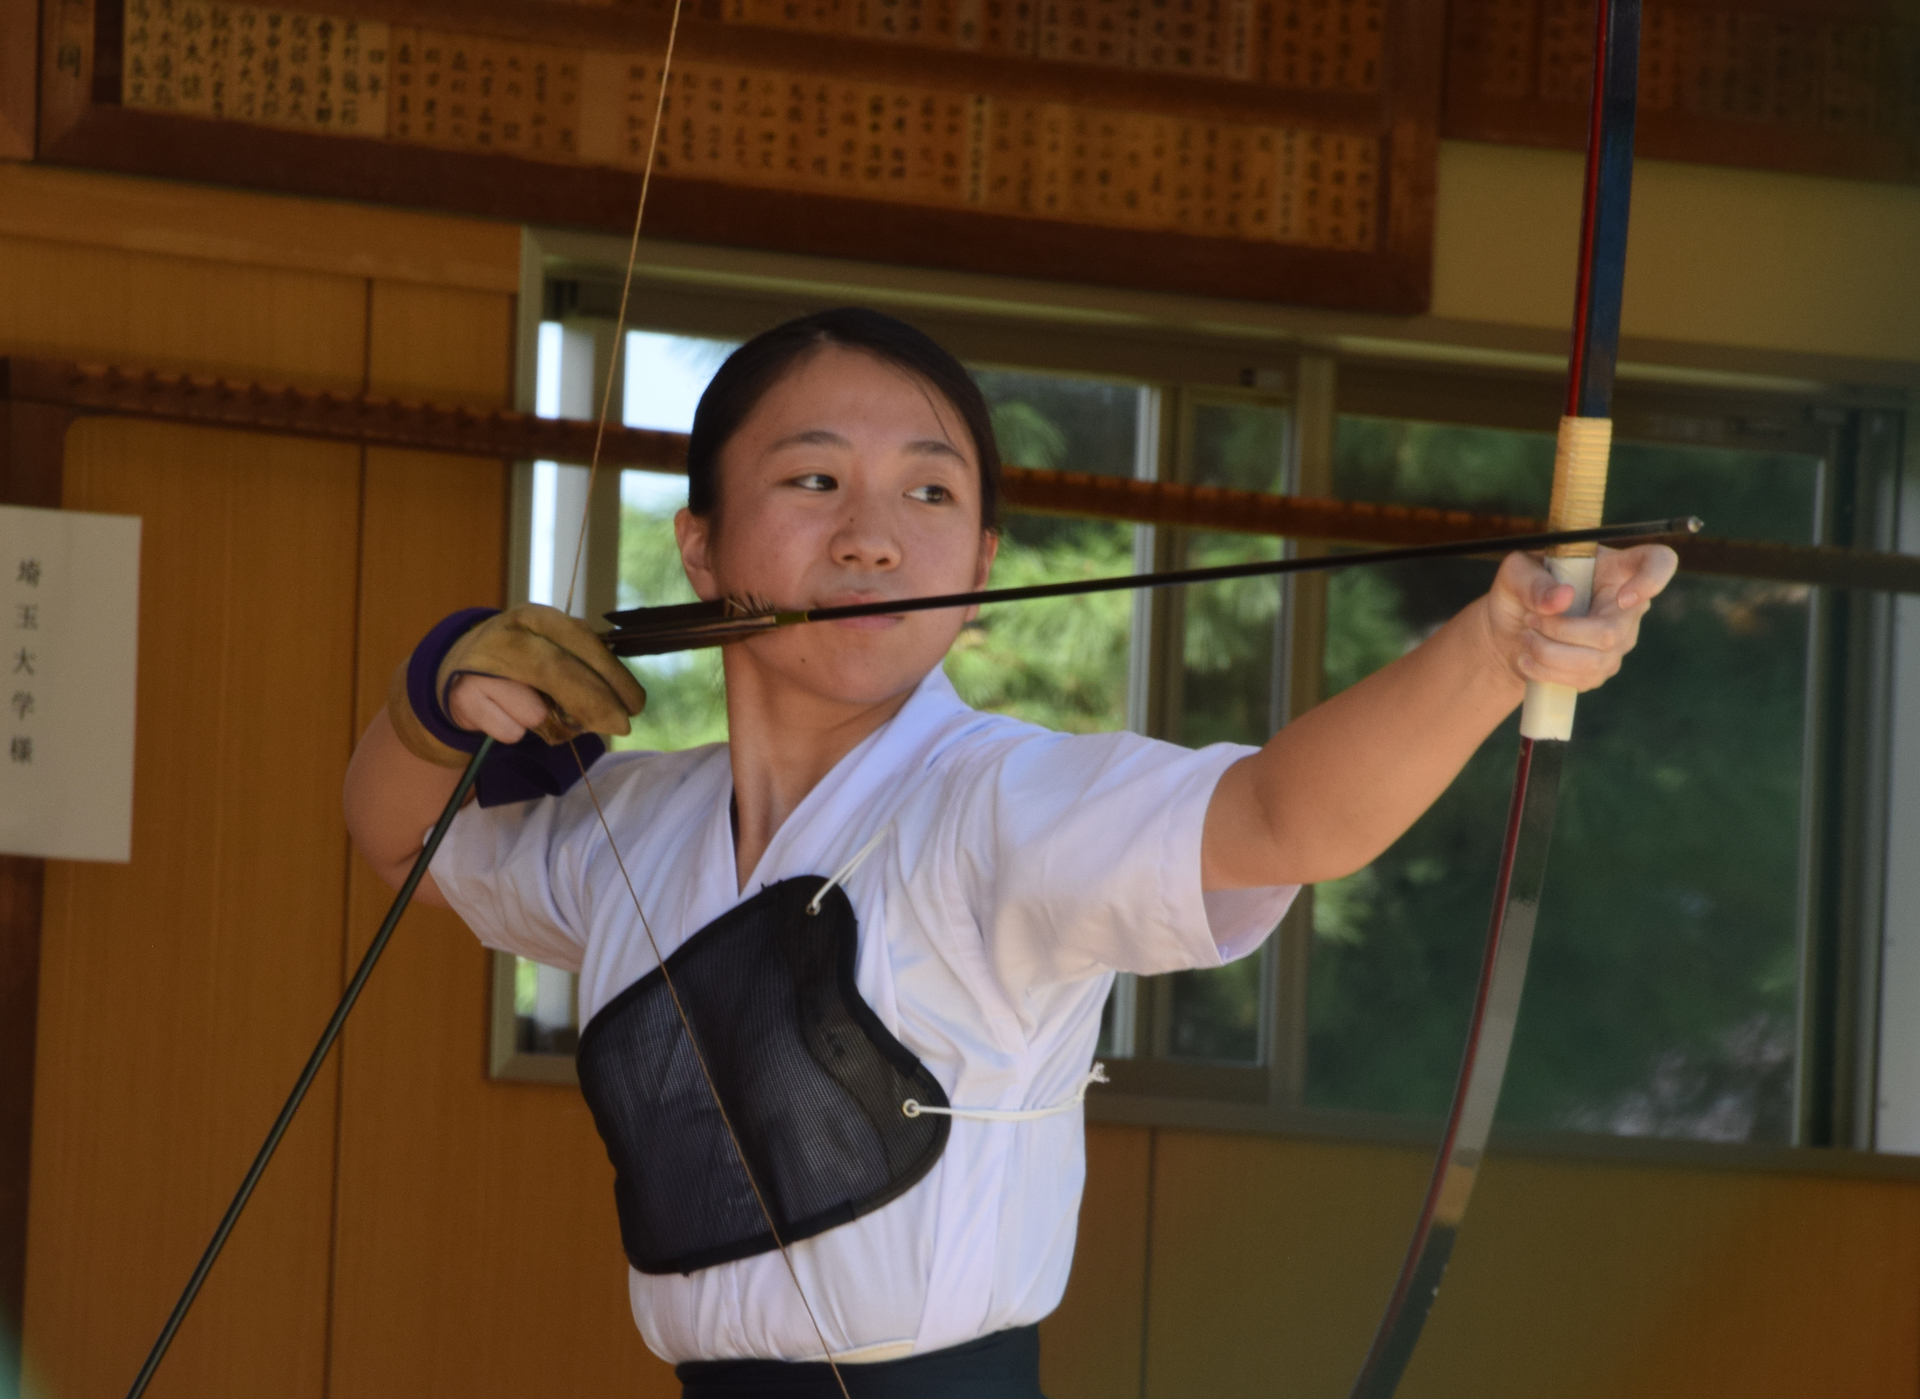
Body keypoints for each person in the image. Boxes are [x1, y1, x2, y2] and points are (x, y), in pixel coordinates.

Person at [343, 307, 1677, 1397]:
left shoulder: (1002, 804)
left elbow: (1280, 819)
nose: (870, 533)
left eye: (928, 492)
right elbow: (398, 835)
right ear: (700, 546)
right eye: (812, 481)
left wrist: (1495, 650)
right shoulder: (631, 825)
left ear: (980, 564)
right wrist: (435, 686)